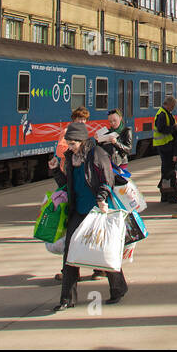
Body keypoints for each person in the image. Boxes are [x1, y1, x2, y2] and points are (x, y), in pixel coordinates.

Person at [47, 111, 128, 310]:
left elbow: (107, 180)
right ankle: (67, 299)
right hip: (78, 210)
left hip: (96, 209)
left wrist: (101, 199)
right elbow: (67, 185)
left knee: (102, 251)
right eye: (69, 144)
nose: (70, 147)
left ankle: (118, 288)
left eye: (73, 144)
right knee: (70, 254)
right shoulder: (71, 157)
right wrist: (56, 170)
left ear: (82, 141)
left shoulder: (97, 155)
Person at [153, 96, 177, 203]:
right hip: (165, 146)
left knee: (166, 171)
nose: (173, 108)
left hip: (165, 145)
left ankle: (165, 194)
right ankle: (170, 195)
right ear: (167, 104)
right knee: (169, 171)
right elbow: (161, 129)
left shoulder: (165, 113)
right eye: (172, 106)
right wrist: (174, 128)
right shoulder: (162, 114)